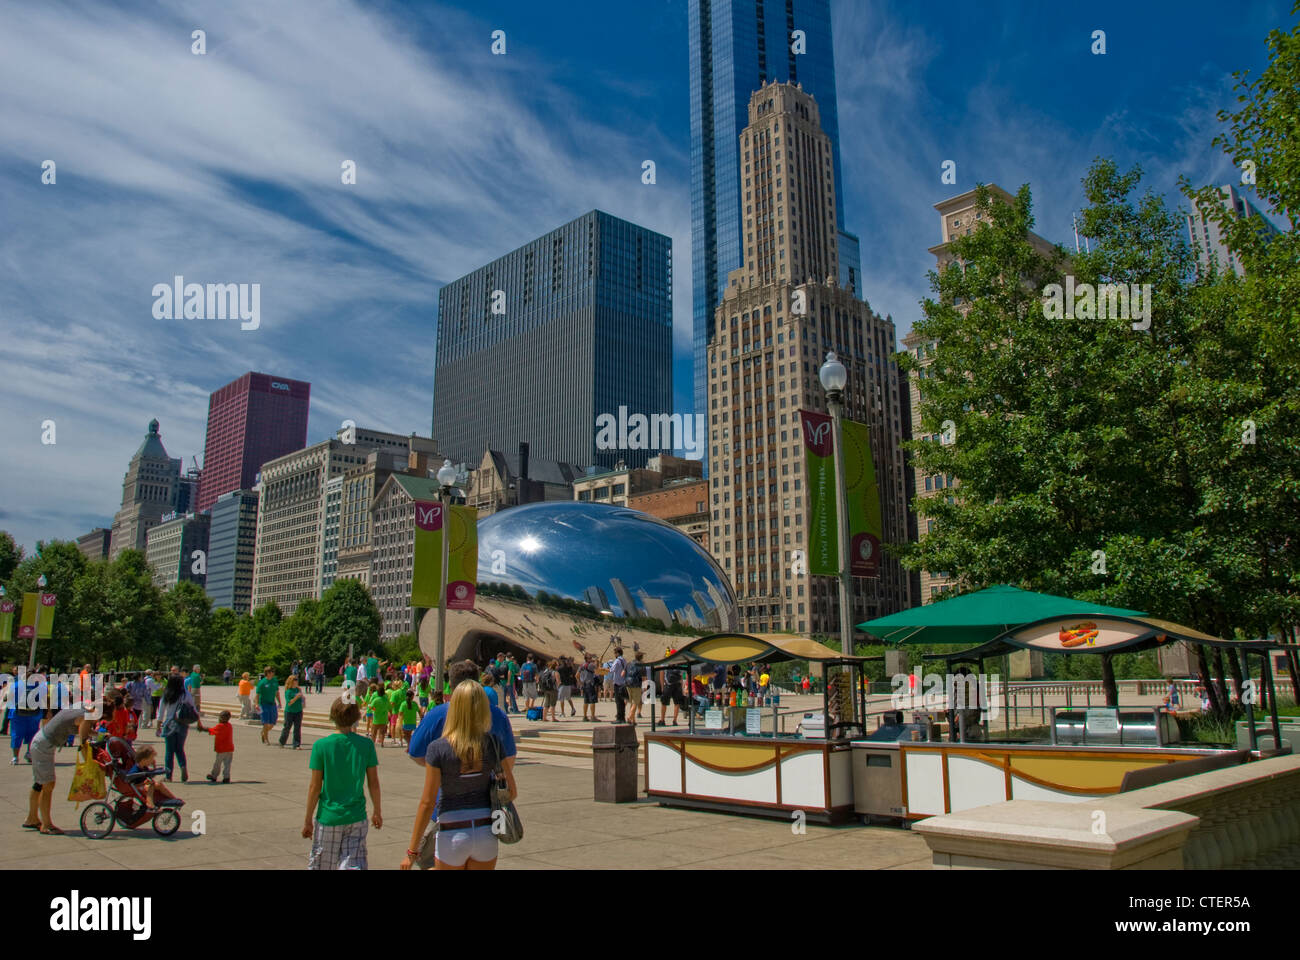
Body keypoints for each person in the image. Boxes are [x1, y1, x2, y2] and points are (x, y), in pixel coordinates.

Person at [401, 679, 516, 871]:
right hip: (485, 832)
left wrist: (412, 851)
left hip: (451, 832)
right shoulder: (492, 744)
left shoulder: (438, 749)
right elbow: (511, 791)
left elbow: (428, 803)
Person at [303, 698, 381, 870]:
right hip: (356, 815)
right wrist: (377, 810)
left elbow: (315, 787)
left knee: (323, 863)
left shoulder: (321, 746)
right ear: (356, 718)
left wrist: (308, 819)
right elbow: (373, 783)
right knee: (354, 863)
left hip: (329, 816)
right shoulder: (366, 745)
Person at [24, 696, 106, 834]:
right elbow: (83, 742)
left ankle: (32, 818)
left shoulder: (82, 706)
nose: (97, 722)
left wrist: (99, 735)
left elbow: (83, 731)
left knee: (39, 784)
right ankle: (46, 825)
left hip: (41, 741)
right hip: (44, 746)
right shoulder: (86, 716)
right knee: (48, 785)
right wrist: (90, 764)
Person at [158, 675, 206, 781]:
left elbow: (161, 712)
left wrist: (158, 726)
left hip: (169, 723)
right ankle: (183, 766)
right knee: (179, 749)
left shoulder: (167, 694)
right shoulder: (185, 694)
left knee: (169, 751)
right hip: (183, 724)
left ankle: (168, 775)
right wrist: (199, 722)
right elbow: (193, 708)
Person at [8, 670, 42, 765]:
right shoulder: (39, 686)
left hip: (18, 714)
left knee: (16, 735)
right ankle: (29, 754)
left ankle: (15, 757)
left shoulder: (17, 684)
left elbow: (9, 698)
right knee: (32, 735)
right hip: (34, 715)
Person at [206, 710, 235, 782]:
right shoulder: (229, 725)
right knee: (227, 764)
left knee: (217, 764)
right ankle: (226, 777)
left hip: (221, 749)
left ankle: (214, 776)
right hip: (229, 749)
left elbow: (212, 731)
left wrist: (202, 728)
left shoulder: (220, 726)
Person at [256, 668, 281, 744]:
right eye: (270, 672)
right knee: (266, 722)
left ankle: (263, 732)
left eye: (273, 672)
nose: (272, 673)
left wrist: (279, 702)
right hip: (263, 704)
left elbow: (277, 692)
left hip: (272, 704)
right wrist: (257, 704)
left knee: (273, 723)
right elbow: (257, 695)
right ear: (266, 673)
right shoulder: (262, 682)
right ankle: (266, 739)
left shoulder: (275, 681)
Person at [280, 675, 305, 749]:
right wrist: (296, 697)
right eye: (295, 680)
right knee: (287, 727)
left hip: (298, 711)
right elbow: (289, 703)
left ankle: (296, 744)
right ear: (291, 681)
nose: (296, 681)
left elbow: (302, 700)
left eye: (297, 680)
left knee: (297, 728)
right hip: (289, 712)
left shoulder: (298, 690)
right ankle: (282, 741)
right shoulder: (288, 691)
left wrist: (303, 700)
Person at [367, 682, 390, 749]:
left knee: (374, 731)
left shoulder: (376, 700)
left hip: (376, 717)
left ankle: (373, 743)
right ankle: (382, 743)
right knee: (382, 731)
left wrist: (374, 709)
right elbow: (389, 706)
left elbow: (371, 706)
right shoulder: (386, 698)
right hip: (384, 717)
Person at [625, 652, 645, 726]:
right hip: (636, 684)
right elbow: (644, 678)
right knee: (635, 702)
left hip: (628, 684)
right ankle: (629, 717)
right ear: (641, 658)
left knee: (632, 702)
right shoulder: (642, 665)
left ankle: (633, 721)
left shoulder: (629, 663)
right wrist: (644, 688)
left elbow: (623, 673)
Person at [610, 647, 628, 723]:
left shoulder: (617, 661)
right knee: (622, 701)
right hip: (623, 682)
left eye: (615, 653)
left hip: (617, 683)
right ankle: (622, 717)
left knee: (618, 701)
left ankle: (619, 718)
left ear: (617, 653)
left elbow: (612, 670)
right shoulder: (624, 660)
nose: (614, 654)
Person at [579, 656, 599, 721]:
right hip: (590, 684)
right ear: (587, 659)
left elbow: (576, 675)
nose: (591, 659)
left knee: (586, 701)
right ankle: (592, 717)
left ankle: (584, 716)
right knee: (592, 701)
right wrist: (598, 661)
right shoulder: (590, 665)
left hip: (584, 685)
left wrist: (581, 683)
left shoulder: (581, 665)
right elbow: (597, 670)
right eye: (590, 658)